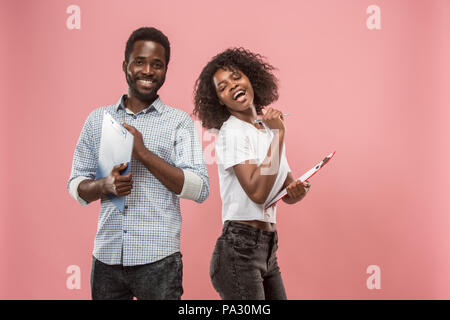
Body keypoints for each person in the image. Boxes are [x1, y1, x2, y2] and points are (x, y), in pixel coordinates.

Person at [67, 27, 209, 300]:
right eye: (140, 61)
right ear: (126, 65)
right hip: (107, 257)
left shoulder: (178, 122)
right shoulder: (97, 119)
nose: (148, 71)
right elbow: (75, 186)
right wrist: (103, 184)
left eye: (157, 64)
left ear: (166, 70)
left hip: (159, 261)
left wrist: (143, 153)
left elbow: (200, 189)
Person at [193, 48, 310, 300]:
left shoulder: (266, 131)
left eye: (236, 77)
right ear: (220, 101)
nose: (232, 86)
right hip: (239, 251)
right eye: (222, 87)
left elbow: (285, 190)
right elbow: (257, 192)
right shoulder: (231, 132)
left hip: (268, 248)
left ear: (251, 79)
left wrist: (297, 191)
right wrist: (279, 135)